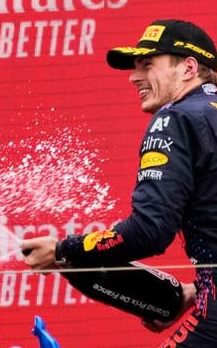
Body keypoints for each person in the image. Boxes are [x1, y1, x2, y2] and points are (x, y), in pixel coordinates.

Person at [21, 19, 217, 347]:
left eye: (148, 64)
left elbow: (149, 231)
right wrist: (196, 290)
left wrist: (63, 251)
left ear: (188, 68)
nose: (133, 76)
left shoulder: (176, 119)